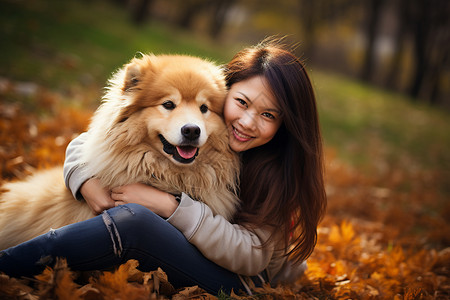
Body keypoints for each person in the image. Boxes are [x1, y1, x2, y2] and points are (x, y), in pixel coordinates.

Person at [0, 38, 326, 295]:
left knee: (136, 223)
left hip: (246, 280)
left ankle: (6, 267)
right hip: (204, 257)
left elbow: (251, 256)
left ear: (288, 124)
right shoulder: (224, 130)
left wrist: (169, 205)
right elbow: (95, 140)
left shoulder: (278, 168)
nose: (248, 121)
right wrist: (85, 178)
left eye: (269, 115)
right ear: (227, 94)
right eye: (241, 102)